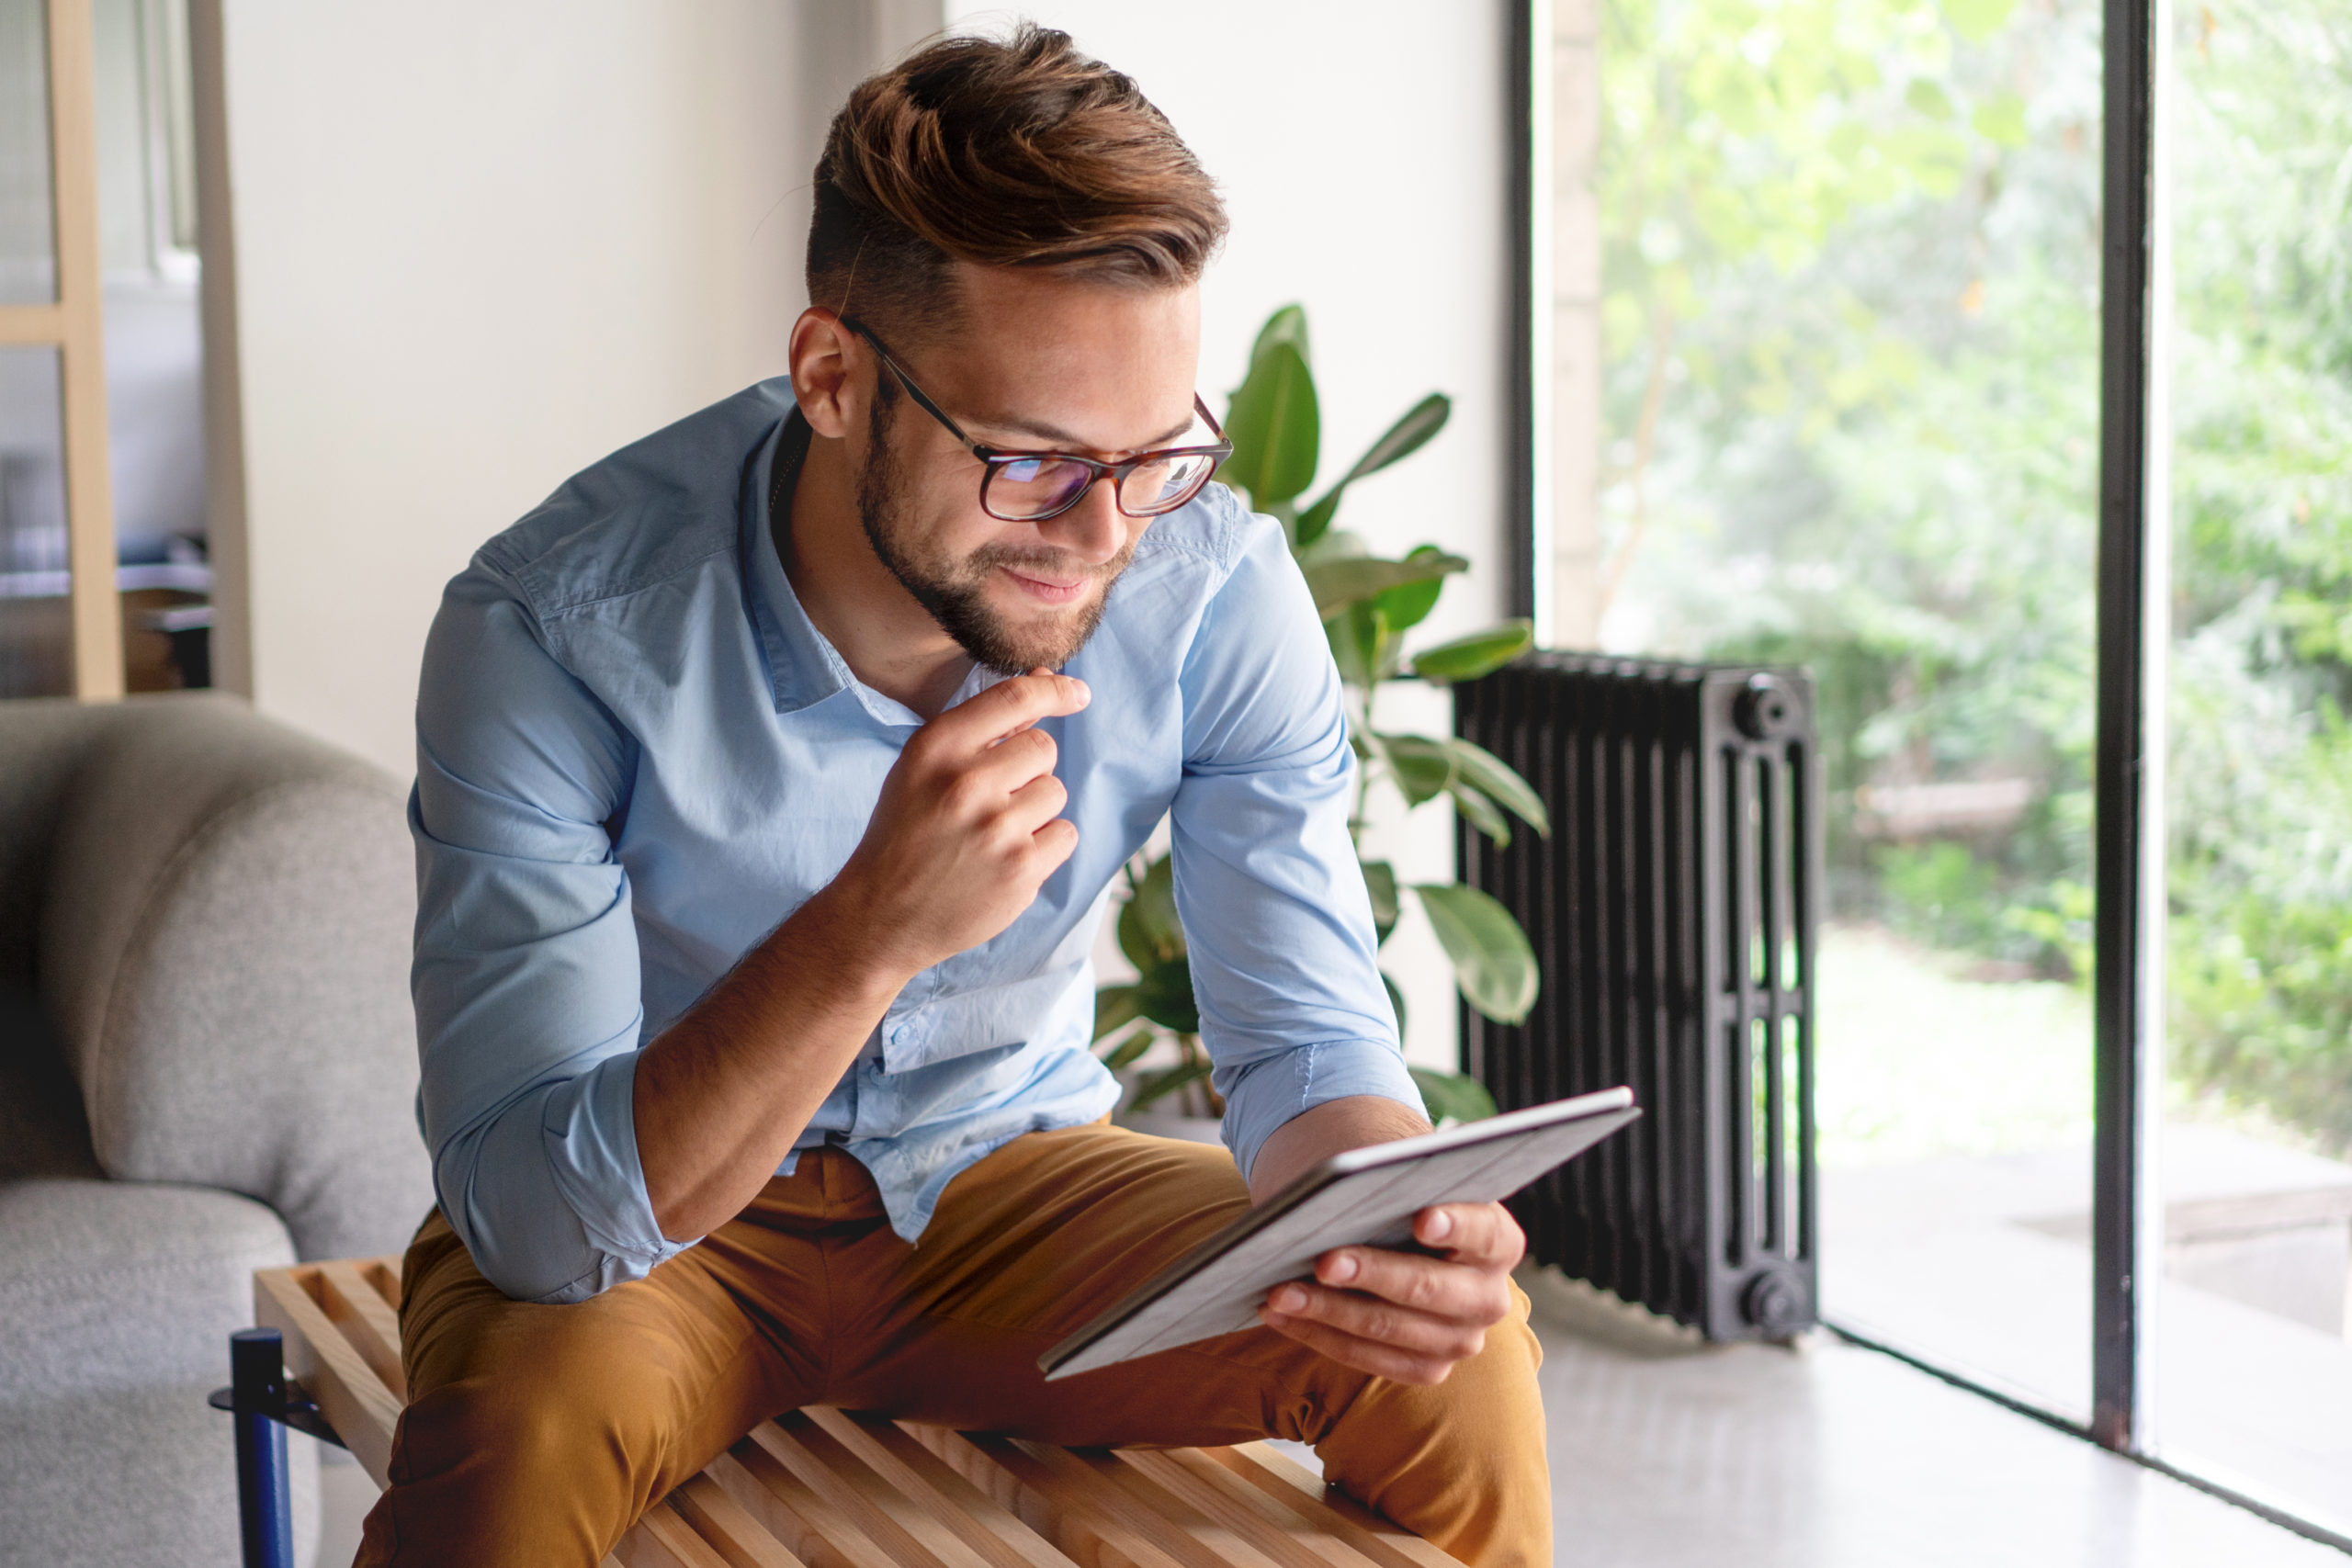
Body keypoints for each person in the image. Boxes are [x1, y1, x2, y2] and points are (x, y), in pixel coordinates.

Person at [359, 25, 1548, 1567]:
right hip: (657, 1228)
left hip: (1011, 1185)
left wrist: (1386, 1227)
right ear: (833, 375)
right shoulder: (553, 630)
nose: (1103, 527)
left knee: (1458, 1367)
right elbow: (535, 1218)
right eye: (1033, 459)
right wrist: (865, 933)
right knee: (509, 1454)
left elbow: (1306, 1039)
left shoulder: (1212, 591)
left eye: (1155, 455)